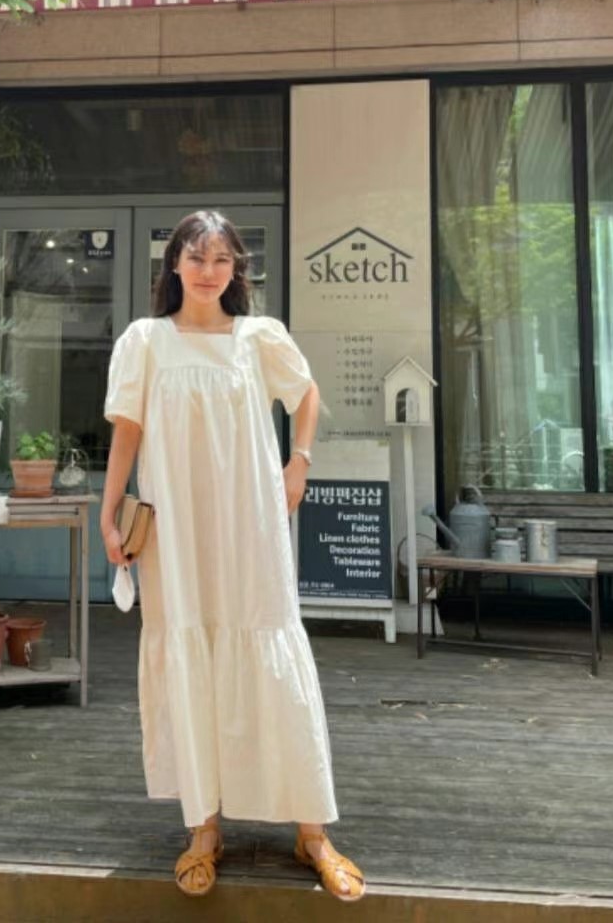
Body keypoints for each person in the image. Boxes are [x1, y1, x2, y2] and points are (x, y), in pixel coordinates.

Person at [100, 210, 365, 902]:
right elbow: (127, 433)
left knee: (270, 643)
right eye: (196, 257)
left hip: (252, 521)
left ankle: (313, 832)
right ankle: (204, 828)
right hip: (176, 527)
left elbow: (306, 395)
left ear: (236, 269)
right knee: (190, 648)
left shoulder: (258, 337)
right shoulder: (144, 342)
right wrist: (109, 509)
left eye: (222, 259)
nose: (209, 271)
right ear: (174, 264)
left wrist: (299, 462)